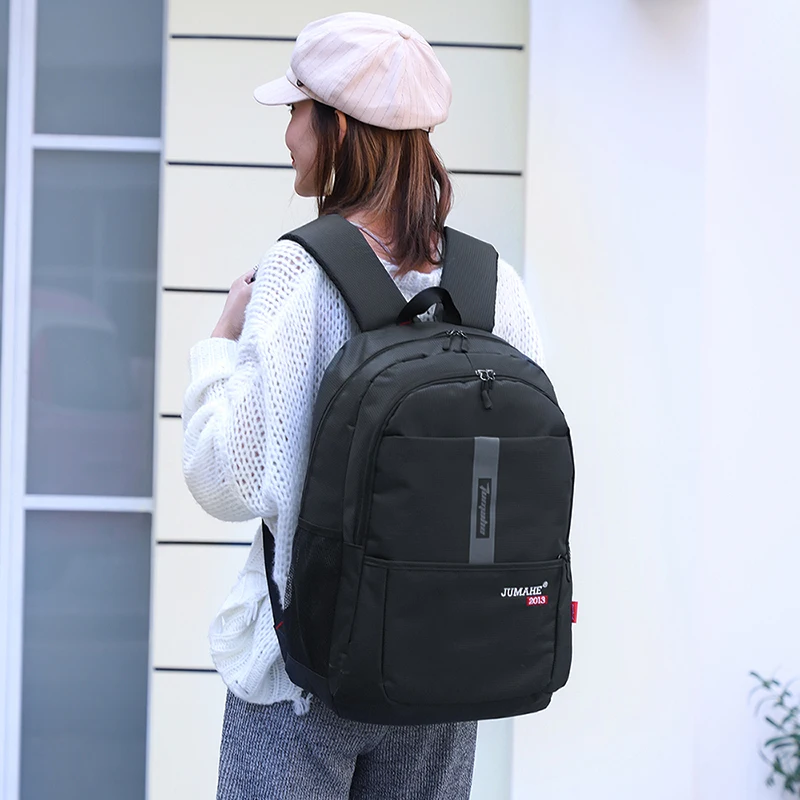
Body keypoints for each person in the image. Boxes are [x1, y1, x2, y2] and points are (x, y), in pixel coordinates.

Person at [182, 11, 544, 800]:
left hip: (306, 671)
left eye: (295, 110)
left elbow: (226, 480)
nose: (287, 134)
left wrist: (217, 343)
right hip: (445, 671)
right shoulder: (493, 286)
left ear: (338, 127)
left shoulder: (299, 274)